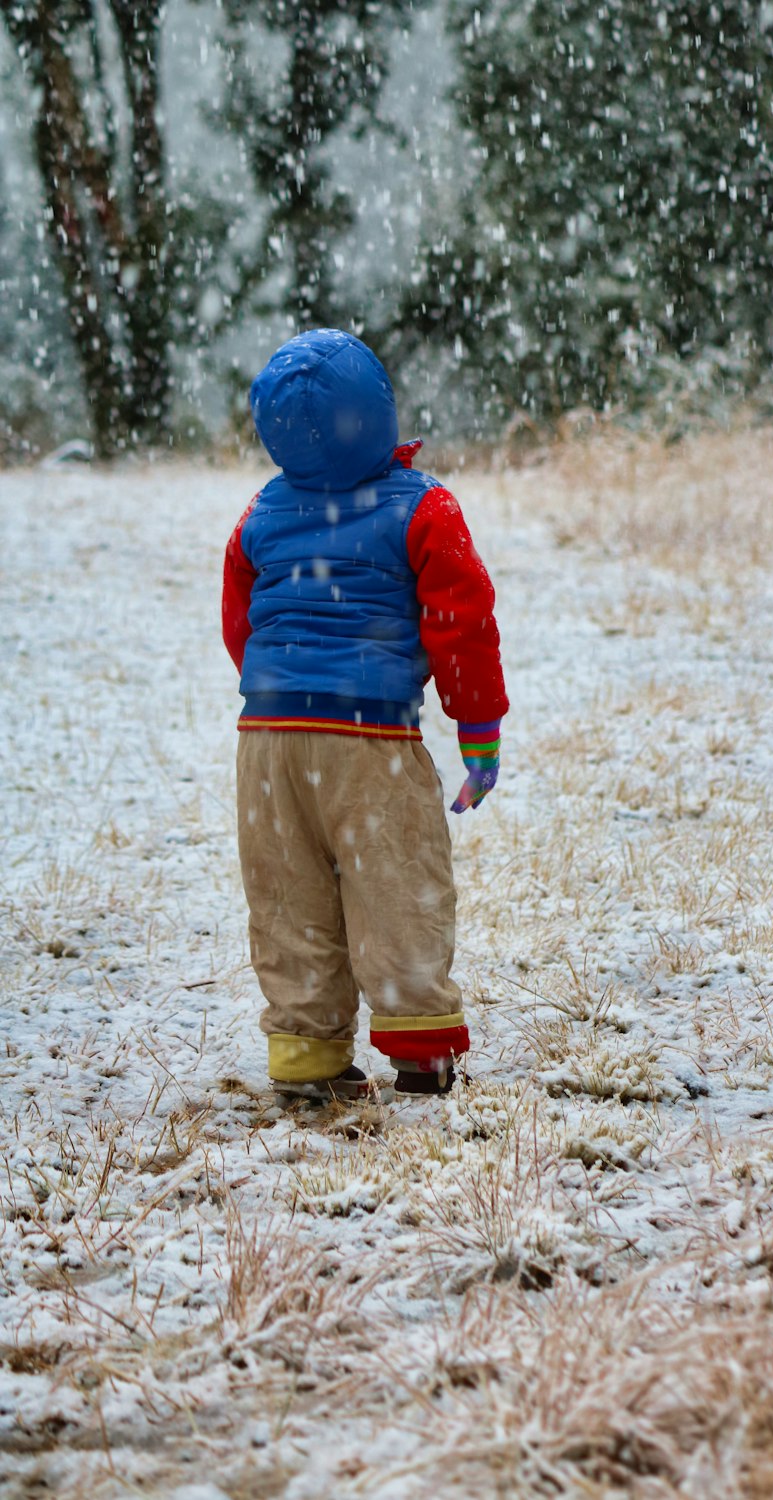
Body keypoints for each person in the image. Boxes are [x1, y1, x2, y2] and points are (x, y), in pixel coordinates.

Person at [221, 329, 507, 1099]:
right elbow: (463, 624)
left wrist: (287, 689)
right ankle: (421, 1050)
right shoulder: (423, 507)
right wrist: (477, 730)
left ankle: (306, 1056)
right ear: (379, 410)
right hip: (368, 737)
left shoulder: (262, 513)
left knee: (289, 896)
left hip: (268, 738)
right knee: (396, 884)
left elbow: (240, 623)